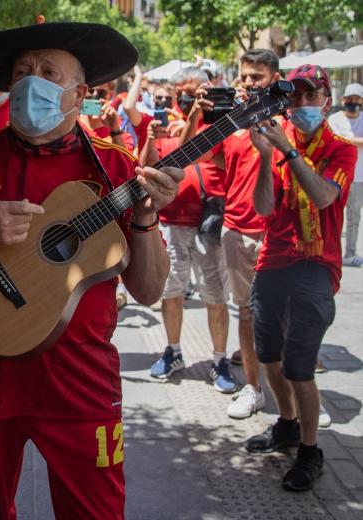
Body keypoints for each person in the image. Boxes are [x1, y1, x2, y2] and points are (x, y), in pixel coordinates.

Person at [0, 23, 183, 518]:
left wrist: (147, 216)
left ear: (80, 93)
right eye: (22, 71)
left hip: (80, 383)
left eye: (49, 71)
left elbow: (150, 289)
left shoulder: (116, 168)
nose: (32, 81)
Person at [245, 64, 356, 492]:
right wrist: (267, 156)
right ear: (287, 104)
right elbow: (264, 209)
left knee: (299, 366)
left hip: (315, 266)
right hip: (273, 260)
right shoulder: (276, 141)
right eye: (298, 98)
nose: (306, 105)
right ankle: (287, 425)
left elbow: (325, 196)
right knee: (268, 356)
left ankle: (311, 450)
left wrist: (289, 154)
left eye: (314, 97)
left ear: (327, 102)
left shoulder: (341, 147)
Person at [181, 49, 281, 419]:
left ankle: (297, 395)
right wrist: (195, 113)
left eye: (257, 76)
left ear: (274, 77)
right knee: (247, 314)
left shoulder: (285, 122)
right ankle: (253, 389)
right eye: (245, 76)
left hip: (279, 234)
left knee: (283, 316)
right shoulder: (232, 123)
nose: (250, 83)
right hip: (237, 231)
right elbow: (191, 154)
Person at [142, 67, 233, 394]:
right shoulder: (164, 124)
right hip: (172, 224)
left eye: (192, 91)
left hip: (208, 225)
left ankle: (220, 359)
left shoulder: (219, 125)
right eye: (180, 90)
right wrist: (153, 137)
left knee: (215, 296)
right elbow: (159, 163)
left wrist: (197, 116)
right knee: (172, 292)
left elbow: (197, 148)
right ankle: (173, 351)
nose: (184, 97)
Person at [327, 82, 363, 267]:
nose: (353, 102)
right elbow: (334, 140)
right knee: (332, 216)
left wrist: (349, 140)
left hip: (359, 178)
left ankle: (349, 253)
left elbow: (343, 141)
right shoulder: (335, 119)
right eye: (350, 99)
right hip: (337, 177)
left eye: (357, 99)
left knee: (354, 218)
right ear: (343, 99)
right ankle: (330, 252)